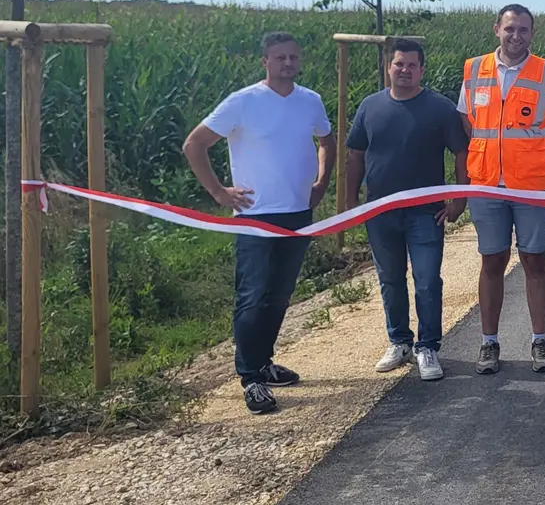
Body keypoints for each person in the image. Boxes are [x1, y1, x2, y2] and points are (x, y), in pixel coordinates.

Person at [182, 31, 332, 415]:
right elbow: (194, 144)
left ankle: (264, 361)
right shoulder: (243, 102)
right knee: (252, 295)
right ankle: (250, 377)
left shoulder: (310, 101)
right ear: (265, 61)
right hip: (255, 215)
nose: (287, 64)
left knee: (280, 294)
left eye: (293, 58)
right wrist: (219, 193)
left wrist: (321, 182)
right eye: (279, 58)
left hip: (298, 213)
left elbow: (327, 141)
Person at [346, 39, 468, 382]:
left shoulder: (440, 108)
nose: (404, 71)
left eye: (412, 65)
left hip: (426, 214)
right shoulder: (370, 107)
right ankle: (399, 340)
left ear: (422, 70)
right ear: (389, 67)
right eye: (399, 64)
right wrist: (350, 201)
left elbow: (461, 153)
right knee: (390, 280)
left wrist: (459, 199)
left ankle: (427, 346)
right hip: (380, 212)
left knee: (427, 280)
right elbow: (355, 154)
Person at [459, 4, 545, 375]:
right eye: (510, 29)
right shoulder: (474, 70)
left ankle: (540, 340)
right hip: (486, 184)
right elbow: (466, 122)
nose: (516, 36)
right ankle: (489, 343)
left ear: (531, 34)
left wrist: (530, 157)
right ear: (497, 29)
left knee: (534, 260)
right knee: (492, 260)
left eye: (523, 30)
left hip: (531, 186)